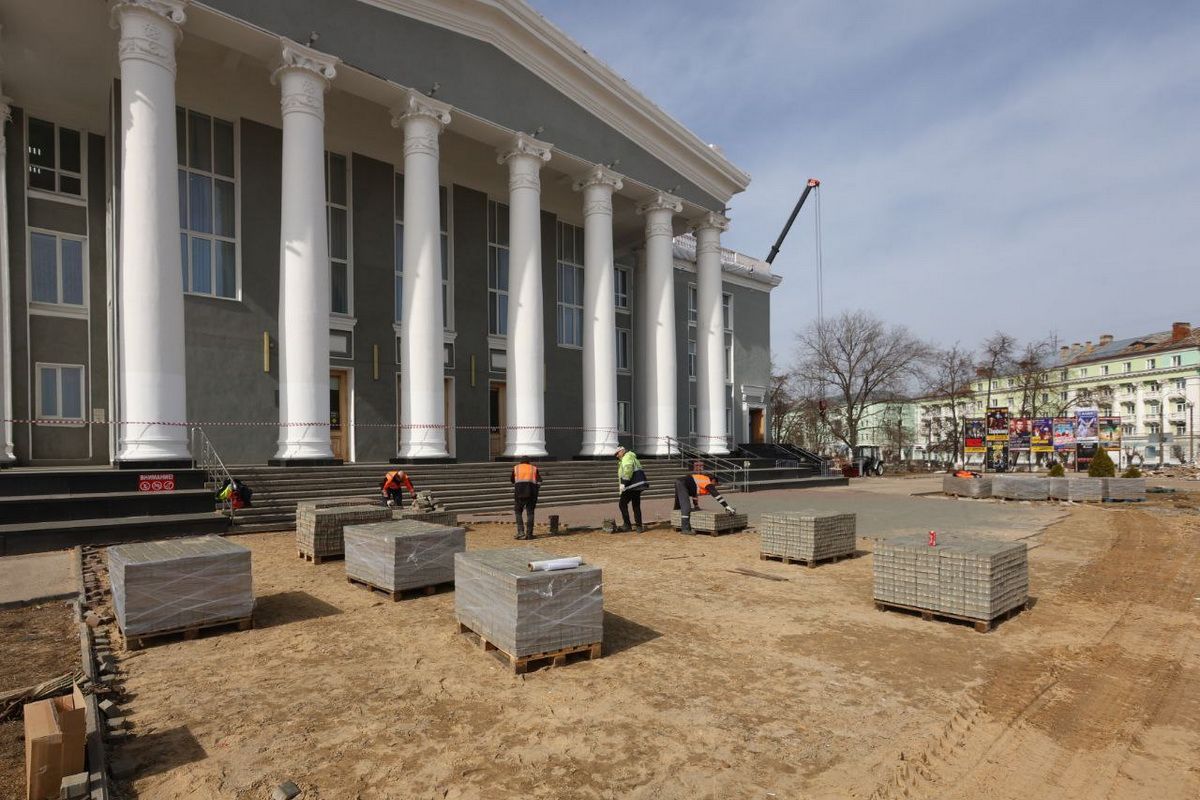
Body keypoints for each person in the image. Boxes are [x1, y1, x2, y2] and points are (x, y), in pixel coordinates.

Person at [615, 446, 648, 533]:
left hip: (631, 485)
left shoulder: (627, 457)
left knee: (622, 504)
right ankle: (639, 527)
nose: (617, 456)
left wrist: (624, 483)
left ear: (622, 451)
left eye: (617, 453)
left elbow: (628, 469)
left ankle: (627, 525)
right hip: (637, 485)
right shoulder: (632, 457)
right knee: (636, 505)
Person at [510, 456, 543, 540]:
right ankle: (529, 534)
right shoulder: (534, 468)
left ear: (520, 462)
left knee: (518, 512)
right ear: (529, 462)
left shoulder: (516, 468)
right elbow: (540, 481)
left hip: (519, 494)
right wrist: (536, 488)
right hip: (532, 494)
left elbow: (512, 480)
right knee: (530, 513)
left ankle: (521, 533)